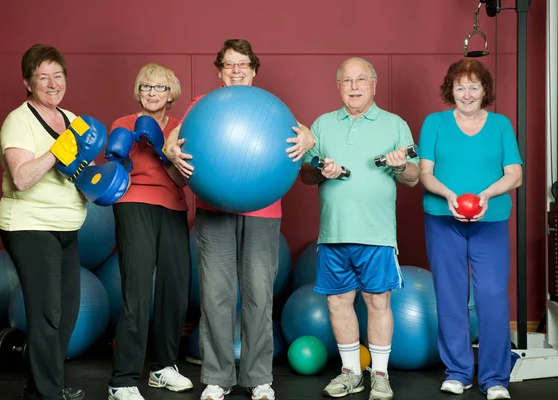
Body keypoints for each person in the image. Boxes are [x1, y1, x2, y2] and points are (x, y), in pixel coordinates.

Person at [165, 39, 315, 400]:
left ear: (253, 69)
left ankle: (258, 377)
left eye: (242, 63)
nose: (236, 69)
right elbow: (176, 138)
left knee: (259, 295)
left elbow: (304, 136)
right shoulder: (202, 106)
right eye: (229, 64)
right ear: (219, 71)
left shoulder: (270, 109)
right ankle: (217, 377)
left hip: (262, 213)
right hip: (214, 211)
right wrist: (171, 146)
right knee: (216, 296)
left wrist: (310, 136)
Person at [300, 57, 420, 400]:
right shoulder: (321, 125)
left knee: (377, 301)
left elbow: (413, 178)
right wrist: (321, 170)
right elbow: (305, 174)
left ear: (374, 85)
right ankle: (351, 373)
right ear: (338, 86)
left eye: (361, 80)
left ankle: (379, 376)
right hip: (334, 233)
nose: (354, 87)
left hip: (377, 234)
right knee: (338, 302)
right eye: (347, 81)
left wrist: (399, 167)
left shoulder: (395, 124)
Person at [418, 59, 522, 400]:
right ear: (451, 90)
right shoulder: (434, 123)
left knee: (492, 297)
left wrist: (486, 196)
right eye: (460, 87)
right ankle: (458, 372)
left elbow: (514, 174)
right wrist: (449, 195)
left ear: (484, 90)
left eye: (473, 87)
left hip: (489, 223)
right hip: (442, 219)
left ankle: (494, 378)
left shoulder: (501, 125)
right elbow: (425, 173)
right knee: (450, 297)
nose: (466, 94)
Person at [0, 44, 87, 400]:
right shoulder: (18, 120)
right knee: (47, 312)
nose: (52, 83)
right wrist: (56, 152)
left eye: (58, 75)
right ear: (27, 82)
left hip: (67, 226)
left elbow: (78, 172)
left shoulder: (71, 118)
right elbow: (21, 178)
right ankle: (47, 395)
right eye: (42, 77)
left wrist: (107, 174)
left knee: (67, 311)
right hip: (29, 226)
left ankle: (41, 386)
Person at [105, 64, 192, 400]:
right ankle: (123, 380)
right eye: (145, 87)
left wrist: (162, 149)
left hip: (172, 207)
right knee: (137, 290)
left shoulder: (181, 130)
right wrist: (121, 155)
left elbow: (183, 179)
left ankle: (163, 367)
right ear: (138, 91)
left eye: (159, 87)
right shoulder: (123, 124)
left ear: (171, 93)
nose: (152, 93)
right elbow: (115, 171)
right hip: (133, 203)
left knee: (176, 288)